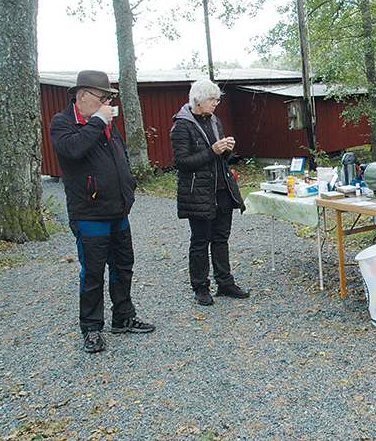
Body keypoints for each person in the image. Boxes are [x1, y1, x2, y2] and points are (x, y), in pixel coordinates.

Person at [49, 70, 156, 354]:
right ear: (82, 95)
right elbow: (73, 150)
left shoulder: (106, 122)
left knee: (123, 266)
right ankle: (92, 328)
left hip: (118, 209)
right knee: (93, 272)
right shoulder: (63, 123)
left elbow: (118, 156)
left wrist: (129, 185)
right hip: (89, 213)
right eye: (102, 97)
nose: (107, 102)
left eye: (109, 98)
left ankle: (123, 316)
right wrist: (97, 121)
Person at [170, 78, 249, 306]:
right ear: (197, 100)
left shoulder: (214, 121)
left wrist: (226, 151)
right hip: (198, 193)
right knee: (200, 240)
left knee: (221, 239)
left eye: (216, 99)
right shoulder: (181, 125)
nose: (215, 104)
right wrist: (213, 151)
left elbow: (220, 160)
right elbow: (181, 162)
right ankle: (201, 287)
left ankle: (225, 282)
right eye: (211, 100)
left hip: (222, 189)